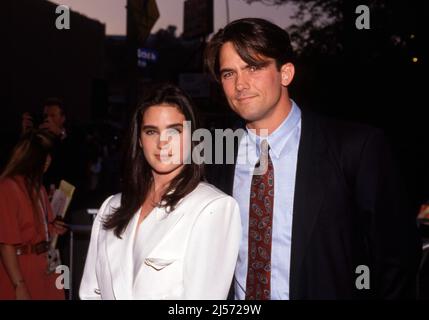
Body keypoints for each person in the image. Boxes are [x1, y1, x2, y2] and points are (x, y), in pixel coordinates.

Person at [204, 18, 421, 299]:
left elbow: (396, 258)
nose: (240, 84)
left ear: (285, 73)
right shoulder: (215, 155)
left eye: (253, 67)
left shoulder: (355, 147)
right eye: (228, 74)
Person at [79, 83, 241, 300]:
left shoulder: (213, 207)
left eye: (174, 130)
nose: (162, 142)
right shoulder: (112, 207)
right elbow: (91, 293)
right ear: (139, 140)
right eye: (151, 131)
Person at [0, 130, 67, 300]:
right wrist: (19, 285)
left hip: (45, 264)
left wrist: (54, 228)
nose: (48, 161)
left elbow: (42, 229)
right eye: (45, 157)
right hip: (22, 267)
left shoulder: (40, 188)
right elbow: (6, 243)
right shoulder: (8, 187)